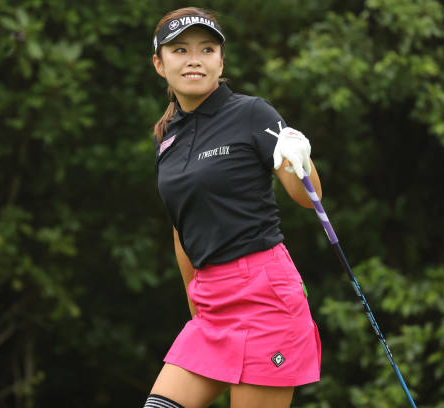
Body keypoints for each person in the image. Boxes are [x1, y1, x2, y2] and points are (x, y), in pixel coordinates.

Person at [146, 7, 323, 408]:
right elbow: (182, 229)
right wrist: (196, 308)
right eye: (180, 50)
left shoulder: (251, 113)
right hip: (210, 306)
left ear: (220, 61)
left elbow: (306, 196)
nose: (194, 58)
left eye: (207, 49)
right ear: (159, 64)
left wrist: (300, 157)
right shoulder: (165, 140)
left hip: (266, 298)